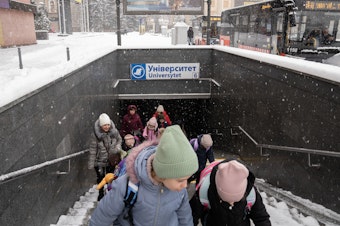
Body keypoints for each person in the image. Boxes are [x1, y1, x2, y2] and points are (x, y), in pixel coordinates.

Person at [89, 125, 199, 226]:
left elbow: (185, 218)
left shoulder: (180, 192)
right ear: (163, 173)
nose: (185, 185)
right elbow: (102, 216)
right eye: (180, 180)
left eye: (187, 179)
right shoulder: (128, 186)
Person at [190, 159, 272, 226]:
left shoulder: (251, 194)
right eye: (225, 199)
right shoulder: (204, 192)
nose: (231, 203)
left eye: (237, 200)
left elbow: (261, 218)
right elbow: (190, 217)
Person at [88, 113, 122, 201]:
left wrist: (117, 148)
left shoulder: (114, 132)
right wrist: (91, 163)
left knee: (110, 177)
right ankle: (101, 193)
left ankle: (110, 192)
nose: (106, 127)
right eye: (104, 125)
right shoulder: (95, 135)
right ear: (100, 125)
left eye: (108, 125)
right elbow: (93, 149)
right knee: (100, 177)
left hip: (111, 159)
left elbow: (119, 139)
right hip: (99, 160)